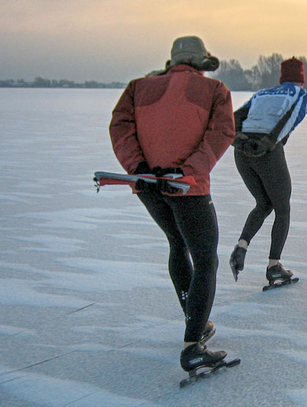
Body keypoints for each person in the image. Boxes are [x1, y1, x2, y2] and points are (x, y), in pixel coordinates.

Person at [109, 36, 236, 373]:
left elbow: (119, 126)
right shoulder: (215, 90)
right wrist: (188, 171)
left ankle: (196, 321)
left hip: (148, 184)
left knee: (177, 244)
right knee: (206, 257)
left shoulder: (139, 87)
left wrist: (138, 168)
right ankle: (193, 344)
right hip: (186, 187)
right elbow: (221, 133)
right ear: (201, 62)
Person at [228, 57, 307, 286]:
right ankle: (274, 266)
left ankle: (241, 247)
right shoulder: (302, 95)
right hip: (266, 150)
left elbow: (235, 116)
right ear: (301, 79)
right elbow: (290, 119)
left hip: (242, 150)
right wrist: (269, 142)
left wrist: (237, 139)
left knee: (263, 203)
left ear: (282, 78)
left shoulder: (262, 93)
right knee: (282, 208)